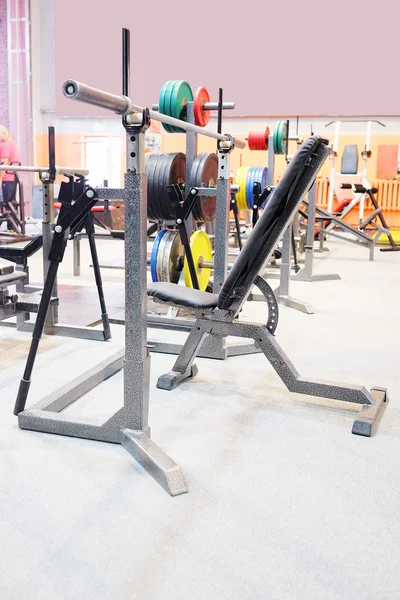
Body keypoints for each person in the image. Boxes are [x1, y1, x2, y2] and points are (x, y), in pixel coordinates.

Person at [0, 125, 20, 229]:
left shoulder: (5, 145)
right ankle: (12, 226)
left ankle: (12, 227)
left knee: (7, 203)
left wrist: (0, 179)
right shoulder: (13, 144)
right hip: (13, 178)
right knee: (11, 203)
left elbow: (4, 163)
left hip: (7, 178)